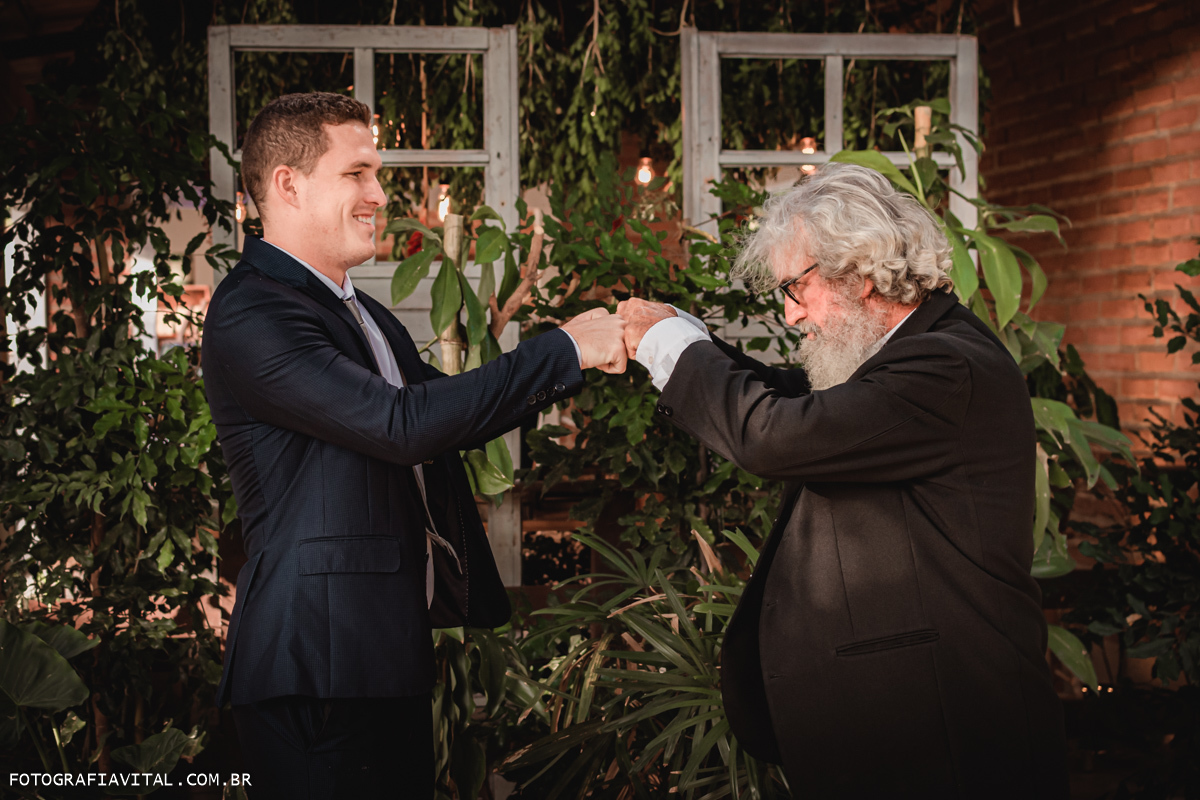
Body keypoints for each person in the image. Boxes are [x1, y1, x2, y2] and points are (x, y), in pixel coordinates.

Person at [202, 92, 627, 799]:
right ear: (287, 183)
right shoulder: (252, 311)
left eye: (376, 174)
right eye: (357, 173)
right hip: (312, 665)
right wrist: (564, 350)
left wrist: (584, 353)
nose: (379, 194)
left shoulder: (362, 312)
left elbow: (447, 415)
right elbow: (400, 425)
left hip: (382, 653)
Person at [618, 163, 1069, 799]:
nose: (790, 314)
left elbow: (775, 434)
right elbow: (794, 397)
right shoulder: (908, 352)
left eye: (794, 288)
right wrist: (686, 340)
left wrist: (669, 345)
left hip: (947, 743)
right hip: (906, 732)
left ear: (858, 271)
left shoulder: (947, 367)